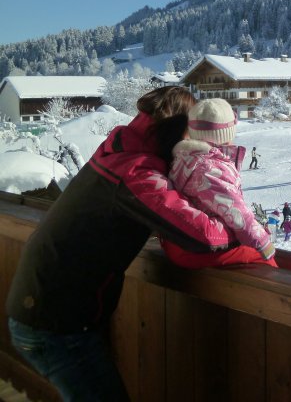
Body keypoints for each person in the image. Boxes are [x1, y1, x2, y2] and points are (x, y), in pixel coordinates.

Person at [5, 86, 243, 401]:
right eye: (192, 130)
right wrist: (243, 229)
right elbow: (203, 236)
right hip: (54, 324)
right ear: (177, 129)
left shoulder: (121, 148)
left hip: (43, 309)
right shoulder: (137, 172)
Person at [162, 98, 276, 268]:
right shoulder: (212, 168)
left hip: (181, 241)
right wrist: (263, 242)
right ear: (226, 134)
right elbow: (236, 212)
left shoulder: (185, 157)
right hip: (198, 248)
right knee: (266, 261)